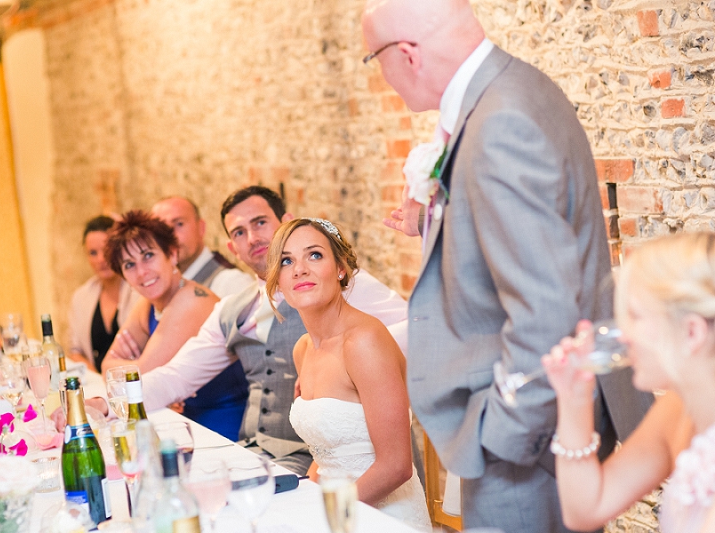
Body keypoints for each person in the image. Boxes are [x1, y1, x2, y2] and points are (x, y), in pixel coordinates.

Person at [362, 1, 653, 530]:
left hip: (526, 448)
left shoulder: (498, 124)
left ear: (407, 55)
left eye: (372, 60)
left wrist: (502, 436)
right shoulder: (518, 88)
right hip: (544, 427)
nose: (379, 76)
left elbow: (546, 309)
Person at [119, 186, 408, 475]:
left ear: (286, 222)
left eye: (260, 223)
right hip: (251, 450)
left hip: (310, 459)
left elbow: (416, 330)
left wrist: (340, 360)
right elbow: (177, 375)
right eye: (239, 232)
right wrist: (115, 401)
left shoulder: (339, 283)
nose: (253, 238)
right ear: (233, 247)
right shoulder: (232, 309)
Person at [544, 232, 715, 533]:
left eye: (635, 316)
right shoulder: (677, 409)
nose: (623, 334)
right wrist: (574, 400)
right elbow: (587, 508)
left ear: (692, 332)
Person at [266, 218, 430, 530]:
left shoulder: (364, 342)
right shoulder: (303, 349)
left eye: (314, 255)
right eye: (287, 261)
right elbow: (327, 453)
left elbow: (396, 467)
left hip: (382, 516)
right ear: (278, 281)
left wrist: (325, 517)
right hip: (331, 506)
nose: (299, 269)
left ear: (341, 269)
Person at [100, 210, 248, 440]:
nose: (142, 272)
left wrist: (129, 365)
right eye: (129, 265)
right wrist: (129, 366)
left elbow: (138, 379)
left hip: (219, 424)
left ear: (172, 254)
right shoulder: (148, 304)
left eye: (148, 255)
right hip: (173, 418)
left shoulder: (192, 300)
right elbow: (107, 368)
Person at [67, 215, 140, 373]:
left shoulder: (138, 290)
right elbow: (75, 351)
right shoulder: (81, 297)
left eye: (106, 250)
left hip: (135, 380)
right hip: (99, 386)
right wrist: (99, 381)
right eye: (93, 253)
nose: (101, 259)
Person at [151, 196, 254, 297]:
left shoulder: (232, 284)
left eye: (179, 224)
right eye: (162, 228)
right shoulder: (158, 286)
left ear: (201, 227)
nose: (170, 235)